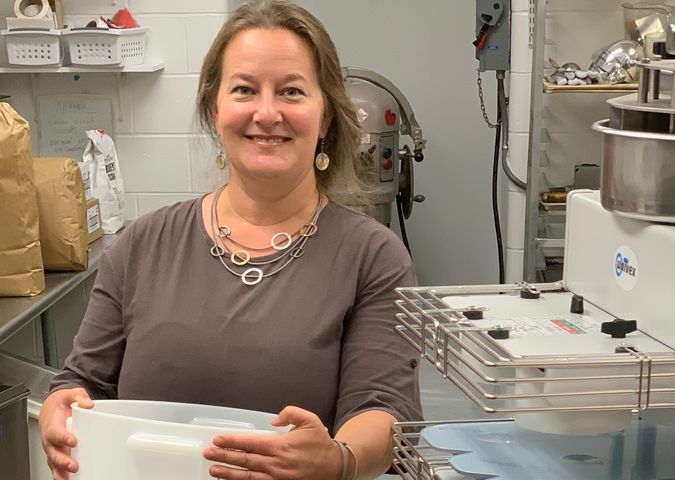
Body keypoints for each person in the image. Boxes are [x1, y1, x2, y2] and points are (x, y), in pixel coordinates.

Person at [38, 1, 422, 479]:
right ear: (214, 108)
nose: (266, 112)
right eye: (244, 89)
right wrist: (60, 409)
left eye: (292, 91)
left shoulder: (372, 256)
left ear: (325, 118)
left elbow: (384, 412)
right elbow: (81, 382)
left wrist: (339, 460)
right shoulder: (143, 244)